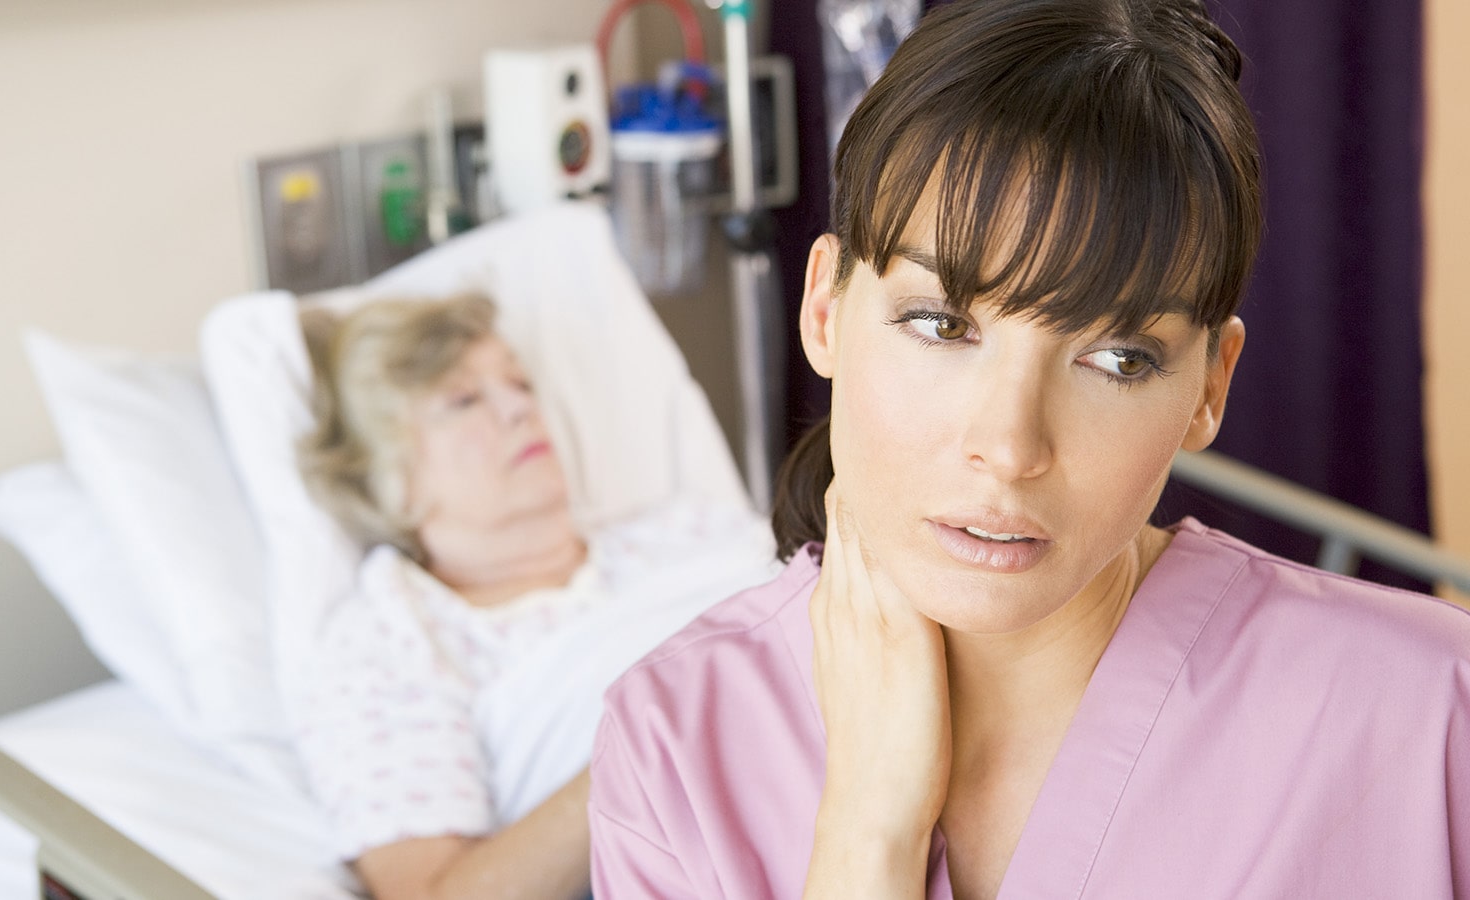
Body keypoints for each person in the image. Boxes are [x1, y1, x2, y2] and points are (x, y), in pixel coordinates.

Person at [587, 1, 1470, 898]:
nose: (1009, 449)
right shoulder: (674, 756)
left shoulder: (1432, 717)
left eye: (1117, 358)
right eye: (940, 325)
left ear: (1211, 386)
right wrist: (867, 830)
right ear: (825, 310)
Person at [287, 294, 773, 900]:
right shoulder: (390, 643)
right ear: (387, 477)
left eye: (519, 382)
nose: (521, 406)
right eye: (463, 400)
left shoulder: (687, 531)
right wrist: (651, 740)